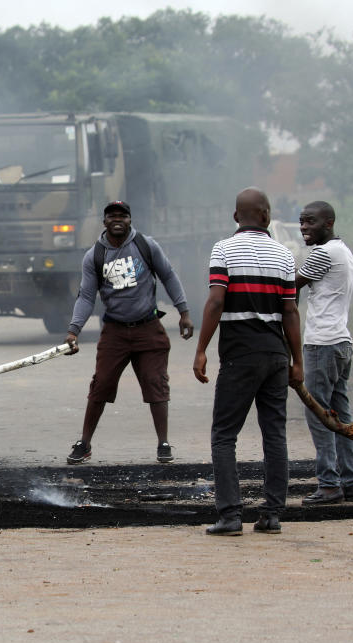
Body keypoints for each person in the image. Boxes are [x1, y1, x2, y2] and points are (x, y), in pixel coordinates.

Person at [193, 187, 303, 536]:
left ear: (236, 216)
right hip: (275, 354)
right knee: (275, 434)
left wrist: (201, 349)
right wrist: (296, 361)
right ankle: (271, 515)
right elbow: (290, 311)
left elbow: (215, 302)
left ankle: (229, 515)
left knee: (224, 435)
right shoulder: (285, 255)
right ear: (267, 216)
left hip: (240, 354)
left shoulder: (223, 249)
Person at [64, 200, 194, 465]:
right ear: (105, 222)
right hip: (115, 331)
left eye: (122, 215)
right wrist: (73, 330)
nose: (117, 219)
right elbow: (87, 296)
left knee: (155, 382)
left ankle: (163, 443)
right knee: (101, 384)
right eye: (112, 216)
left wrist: (184, 312)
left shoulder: (146, 246)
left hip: (148, 328)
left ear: (130, 220)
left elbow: (168, 275)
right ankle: (85, 443)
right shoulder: (94, 256)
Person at [296, 201, 353, 505]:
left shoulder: (324, 253)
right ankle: (351, 483)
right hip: (341, 343)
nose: (304, 227)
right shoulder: (344, 252)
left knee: (320, 416)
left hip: (323, 344)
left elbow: (291, 285)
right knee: (341, 416)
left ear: (329, 223)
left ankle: (329, 484)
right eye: (302, 222)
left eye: (311, 222)